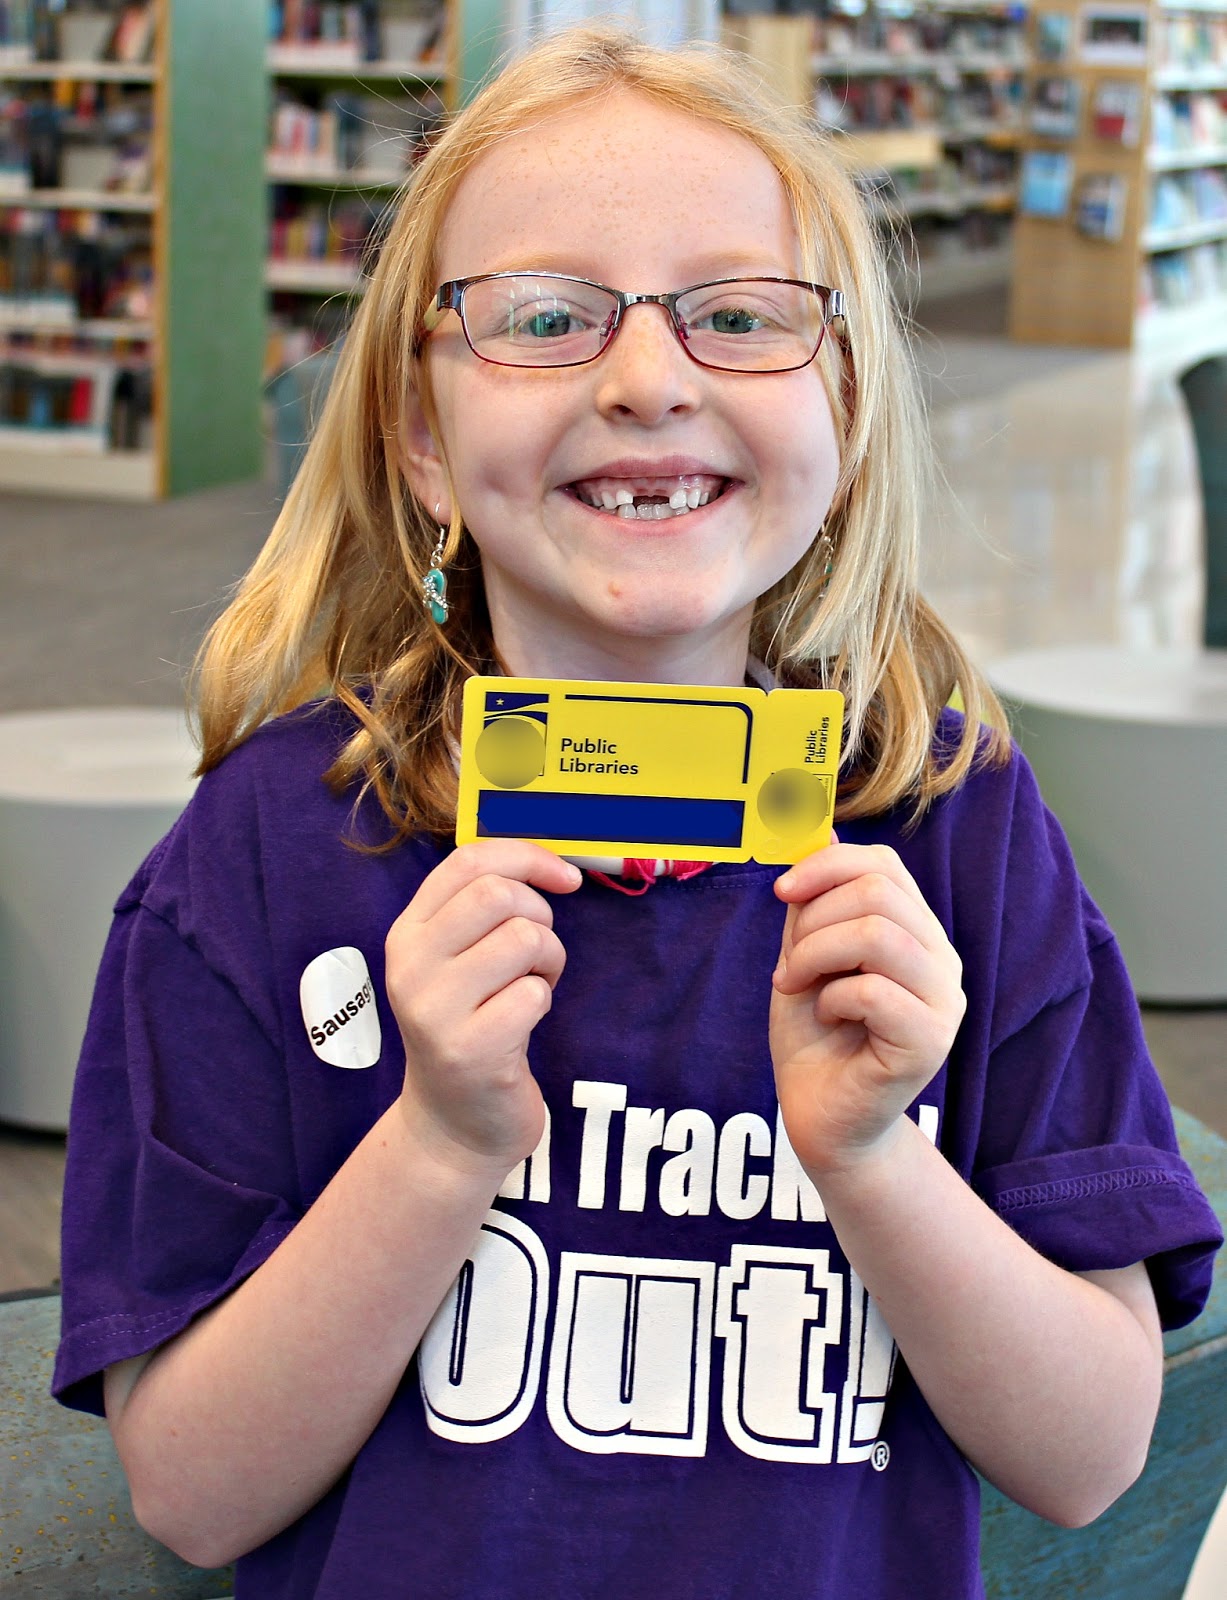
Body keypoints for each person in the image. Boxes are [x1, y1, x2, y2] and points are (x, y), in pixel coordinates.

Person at [53, 24, 1220, 1600]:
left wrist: (874, 1159)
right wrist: (437, 1142)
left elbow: (1090, 1456)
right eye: (545, 318)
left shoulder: (958, 830)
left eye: (739, 315)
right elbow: (192, 1495)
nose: (650, 380)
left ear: (845, 410)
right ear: (422, 442)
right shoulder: (265, 854)